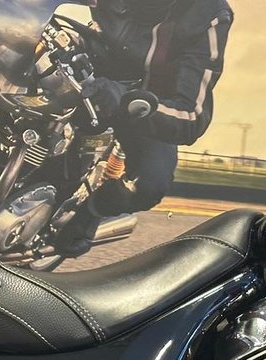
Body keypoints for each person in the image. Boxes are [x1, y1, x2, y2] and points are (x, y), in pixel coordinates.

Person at [54, 0, 234, 254]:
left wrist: (127, 101)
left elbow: (192, 115)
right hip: (87, 62)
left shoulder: (210, 13)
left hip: (143, 103)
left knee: (150, 185)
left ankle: (90, 212)